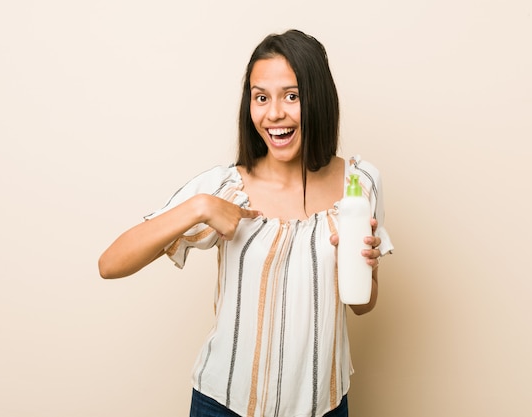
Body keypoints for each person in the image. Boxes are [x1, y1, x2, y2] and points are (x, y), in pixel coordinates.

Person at [98, 29, 393, 417]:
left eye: (292, 96)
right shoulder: (226, 188)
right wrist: (199, 206)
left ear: (318, 99)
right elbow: (110, 264)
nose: (274, 114)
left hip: (324, 406)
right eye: (261, 97)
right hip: (225, 406)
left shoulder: (360, 183)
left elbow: (364, 304)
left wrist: (363, 268)